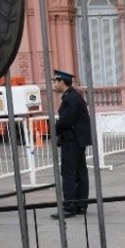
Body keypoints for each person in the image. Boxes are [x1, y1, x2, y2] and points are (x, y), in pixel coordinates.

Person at [51, 70, 91, 220]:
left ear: (62, 82)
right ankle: (81, 204)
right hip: (78, 140)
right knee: (80, 172)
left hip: (71, 140)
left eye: (55, 81)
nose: (54, 84)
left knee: (68, 173)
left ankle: (69, 207)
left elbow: (66, 120)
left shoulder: (70, 99)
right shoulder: (75, 96)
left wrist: (53, 129)